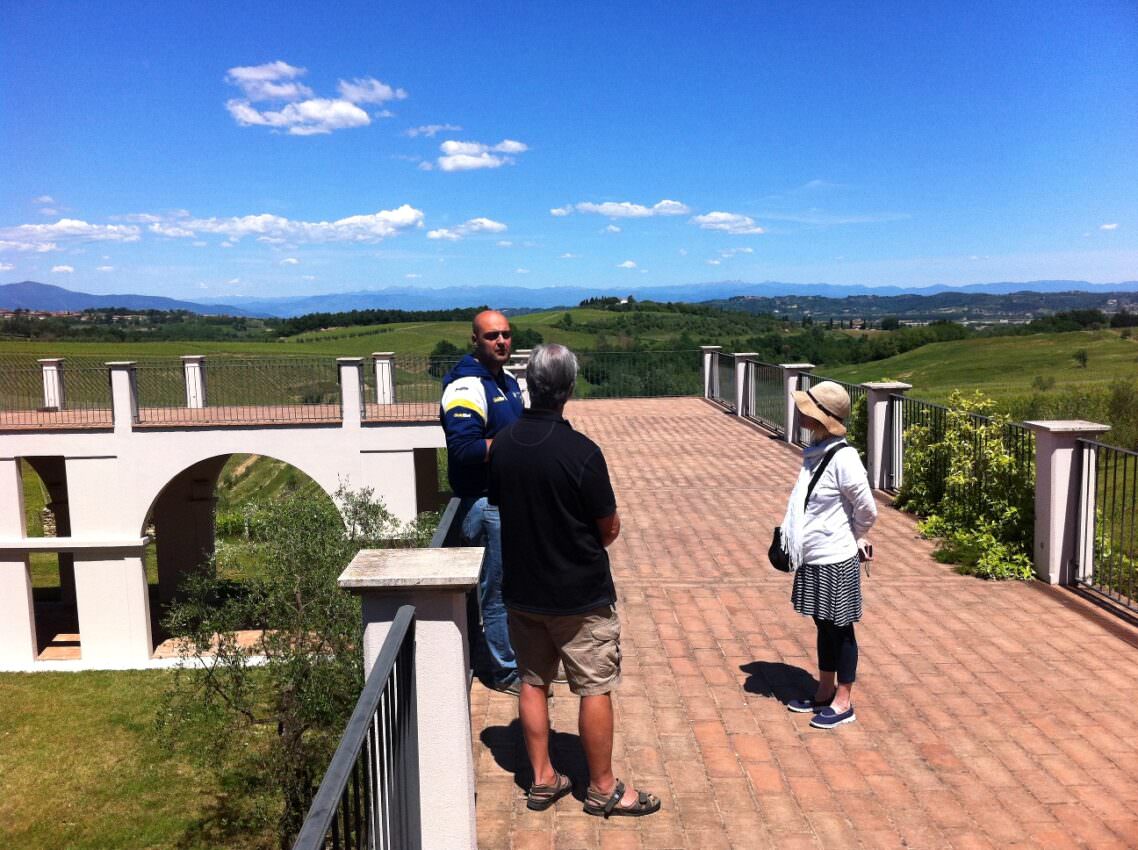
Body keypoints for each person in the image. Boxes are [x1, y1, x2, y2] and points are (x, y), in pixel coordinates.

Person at [488, 343, 661, 818]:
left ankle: (542, 779)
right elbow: (608, 528)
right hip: (579, 596)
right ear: (568, 389)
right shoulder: (582, 453)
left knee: (532, 681)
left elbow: (501, 505)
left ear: (530, 384)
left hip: (522, 592)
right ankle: (602, 788)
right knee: (593, 686)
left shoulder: (502, 445)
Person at [779, 381, 877, 729]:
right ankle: (823, 691)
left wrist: (851, 536)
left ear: (821, 417)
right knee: (824, 625)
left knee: (841, 628)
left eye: (808, 410)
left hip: (836, 557)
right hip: (815, 555)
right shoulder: (817, 449)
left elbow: (867, 509)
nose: (802, 414)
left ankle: (843, 700)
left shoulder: (844, 458)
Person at [439, 309, 524, 694]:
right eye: (492, 336)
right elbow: (464, 448)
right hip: (486, 504)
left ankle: (516, 660)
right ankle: (504, 671)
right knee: (496, 590)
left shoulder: (506, 381)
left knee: (511, 585)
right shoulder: (466, 386)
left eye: (506, 334)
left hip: (507, 500)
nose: (502, 341)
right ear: (475, 340)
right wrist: (519, 446)